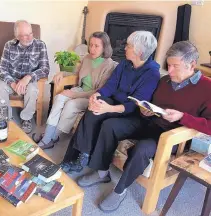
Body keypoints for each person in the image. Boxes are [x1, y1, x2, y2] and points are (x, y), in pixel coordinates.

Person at [76, 41, 211, 213]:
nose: (169, 71)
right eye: (168, 65)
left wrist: (183, 117)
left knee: (142, 148)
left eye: (175, 66)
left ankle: (120, 190)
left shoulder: (207, 88)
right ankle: (102, 172)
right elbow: (153, 103)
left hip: (170, 136)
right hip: (150, 122)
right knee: (110, 125)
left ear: (191, 65)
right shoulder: (165, 81)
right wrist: (145, 109)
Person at [60, 30, 160, 172]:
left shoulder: (152, 73)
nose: (125, 47)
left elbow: (134, 105)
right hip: (114, 101)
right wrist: (98, 94)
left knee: (108, 124)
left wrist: (108, 109)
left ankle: (96, 167)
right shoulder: (125, 64)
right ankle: (80, 156)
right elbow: (111, 85)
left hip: (131, 113)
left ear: (139, 52)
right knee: (93, 109)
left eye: (129, 46)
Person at [32, 32, 118, 150]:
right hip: (80, 89)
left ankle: (51, 138)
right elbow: (75, 72)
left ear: (105, 47)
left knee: (71, 104)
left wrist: (74, 94)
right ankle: (48, 136)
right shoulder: (87, 58)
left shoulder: (109, 65)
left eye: (96, 46)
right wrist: (62, 73)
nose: (92, 49)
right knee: (59, 98)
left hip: (92, 97)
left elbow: (100, 91)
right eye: (91, 45)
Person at [0, 20, 50, 134]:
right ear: (17, 36)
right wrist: (12, 83)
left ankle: (26, 118)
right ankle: (6, 119)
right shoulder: (9, 45)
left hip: (29, 80)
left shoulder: (40, 45)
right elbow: (1, 68)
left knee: (33, 90)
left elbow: (45, 68)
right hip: (11, 79)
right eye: (25, 35)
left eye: (31, 34)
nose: (29, 38)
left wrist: (28, 77)